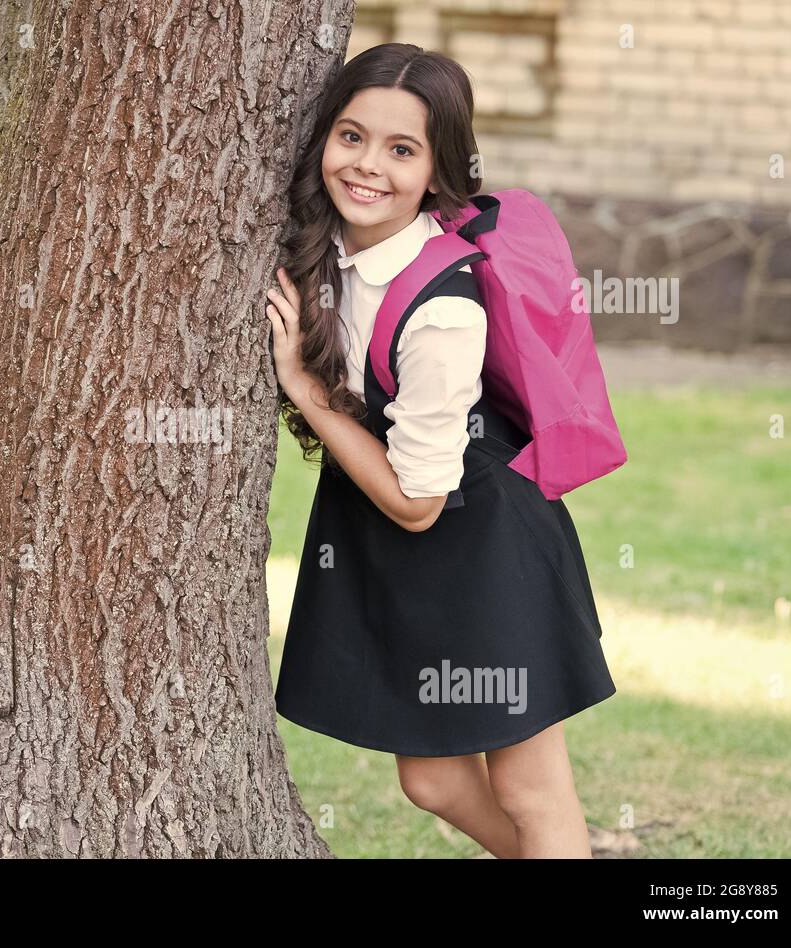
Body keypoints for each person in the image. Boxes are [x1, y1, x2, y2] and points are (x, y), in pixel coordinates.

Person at [267, 42, 616, 859]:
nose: (367, 168)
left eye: (402, 150)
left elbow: (419, 502)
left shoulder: (442, 309)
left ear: (437, 170)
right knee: (432, 780)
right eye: (351, 137)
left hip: (481, 541)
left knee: (531, 787)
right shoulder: (333, 249)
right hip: (402, 539)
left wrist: (304, 387)